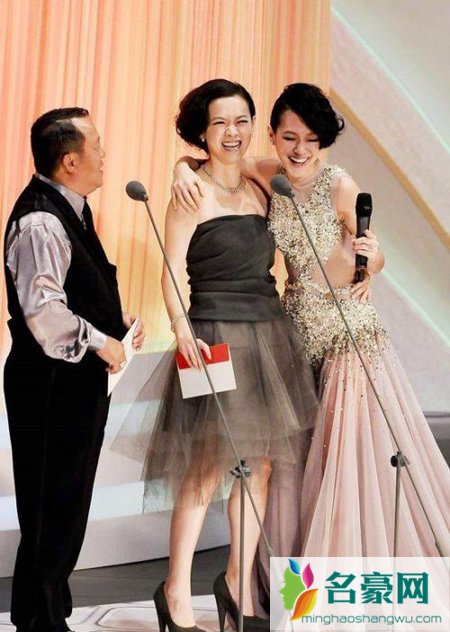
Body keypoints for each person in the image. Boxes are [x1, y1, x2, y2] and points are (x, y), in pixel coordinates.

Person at [172, 83, 450, 557]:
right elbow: (211, 162)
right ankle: (293, 572)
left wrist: (372, 260)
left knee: (346, 456)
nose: (300, 150)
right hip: (293, 333)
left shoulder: (339, 185)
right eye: (290, 137)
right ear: (273, 136)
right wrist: (180, 167)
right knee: (294, 461)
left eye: (312, 140)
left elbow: (373, 254)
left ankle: (352, 558)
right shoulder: (267, 174)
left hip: (346, 332)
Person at [113, 79, 317, 632]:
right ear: (202, 132)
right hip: (213, 338)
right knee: (204, 467)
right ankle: (175, 591)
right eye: (221, 123)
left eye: (242, 121)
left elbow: (304, 165)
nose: (233, 132)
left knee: (260, 467)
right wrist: (179, 327)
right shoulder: (190, 193)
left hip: (268, 333)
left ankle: (235, 584)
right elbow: (169, 271)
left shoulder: (262, 185)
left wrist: (181, 161)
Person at [3, 107, 145, 632]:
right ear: (69, 161)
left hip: (73, 381)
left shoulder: (71, 209)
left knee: (66, 502)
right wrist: (102, 342)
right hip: (50, 384)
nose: (104, 154)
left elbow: (72, 291)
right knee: (51, 507)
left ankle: (41, 613)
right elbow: (44, 314)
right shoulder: (41, 220)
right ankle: (41, 621)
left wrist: (114, 322)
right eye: (97, 145)